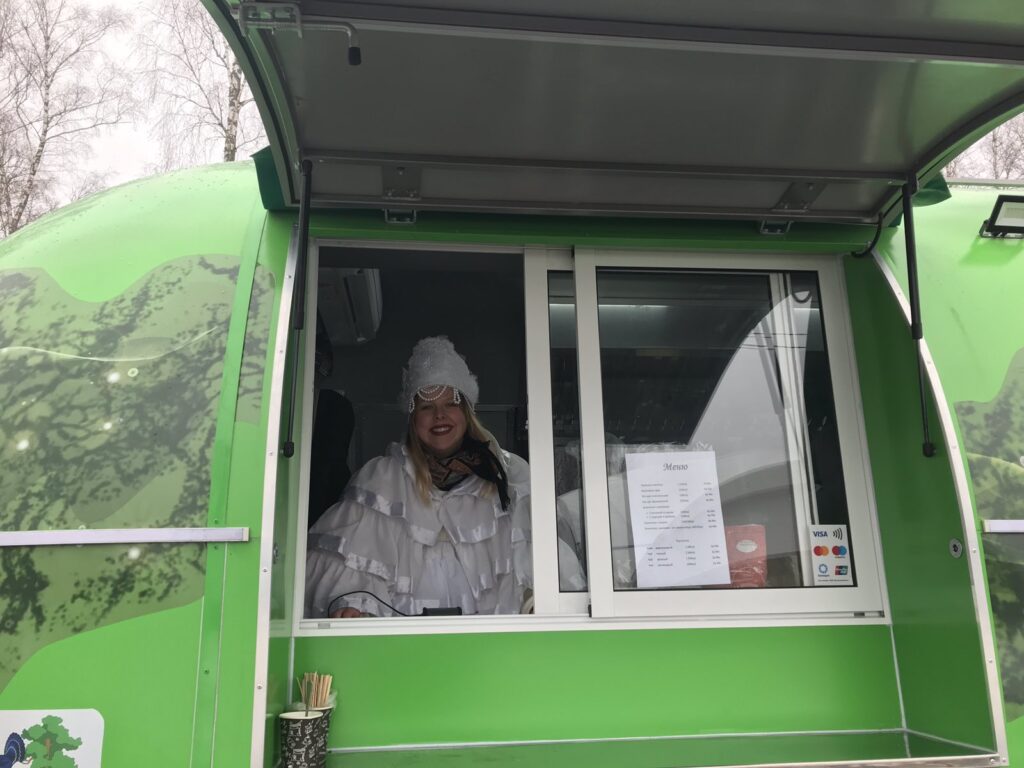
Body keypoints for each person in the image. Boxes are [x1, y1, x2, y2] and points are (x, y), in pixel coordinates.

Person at [305, 336, 532, 617]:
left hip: (488, 639)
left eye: (450, 404)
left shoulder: (508, 475)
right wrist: (354, 605)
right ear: (413, 419)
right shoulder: (382, 478)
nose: (439, 415)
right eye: (426, 407)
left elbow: (531, 563)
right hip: (404, 639)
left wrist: (533, 600)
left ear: (466, 412)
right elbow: (355, 562)